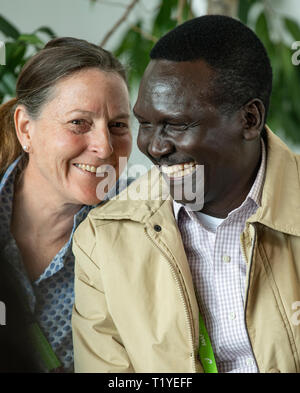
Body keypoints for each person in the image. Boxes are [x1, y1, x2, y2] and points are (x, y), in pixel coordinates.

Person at [72, 15, 300, 373]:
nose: (154, 147)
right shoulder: (103, 239)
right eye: (144, 124)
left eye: (176, 125)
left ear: (250, 120)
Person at [0, 37, 132, 372]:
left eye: (118, 125)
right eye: (79, 123)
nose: (104, 147)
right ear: (25, 129)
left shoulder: (141, 229)